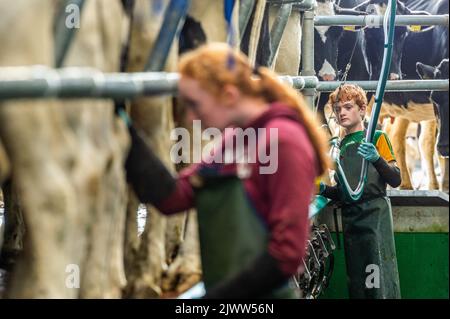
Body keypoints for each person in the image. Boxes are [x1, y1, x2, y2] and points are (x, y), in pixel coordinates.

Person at [125, 42, 331, 298]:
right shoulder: (235, 141)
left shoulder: (284, 140)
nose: (189, 118)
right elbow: (174, 197)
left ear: (229, 95)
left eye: (195, 104)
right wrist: (126, 132)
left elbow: (287, 253)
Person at [319, 84, 401, 299]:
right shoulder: (337, 146)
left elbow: (395, 178)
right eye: (337, 109)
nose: (341, 113)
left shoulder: (376, 138)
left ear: (363, 110)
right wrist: (322, 189)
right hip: (351, 221)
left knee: (377, 279)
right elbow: (345, 192)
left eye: (348, 107)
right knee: (358, 284)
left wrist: (377, 159)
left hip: (374, 217)